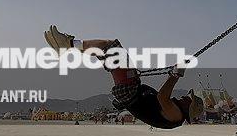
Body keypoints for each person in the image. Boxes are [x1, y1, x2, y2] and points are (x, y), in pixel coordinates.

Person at [43, 26, 204, 129]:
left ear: (189, 108)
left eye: (189, 99)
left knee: (110, 47)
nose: (185, 96)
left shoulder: (176, 116)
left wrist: (176, 75)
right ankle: (68, 45)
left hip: (130, 92)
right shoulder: (176, 114)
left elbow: (162, 97)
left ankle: (68, 45)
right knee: (107, 50)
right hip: (131, 90)